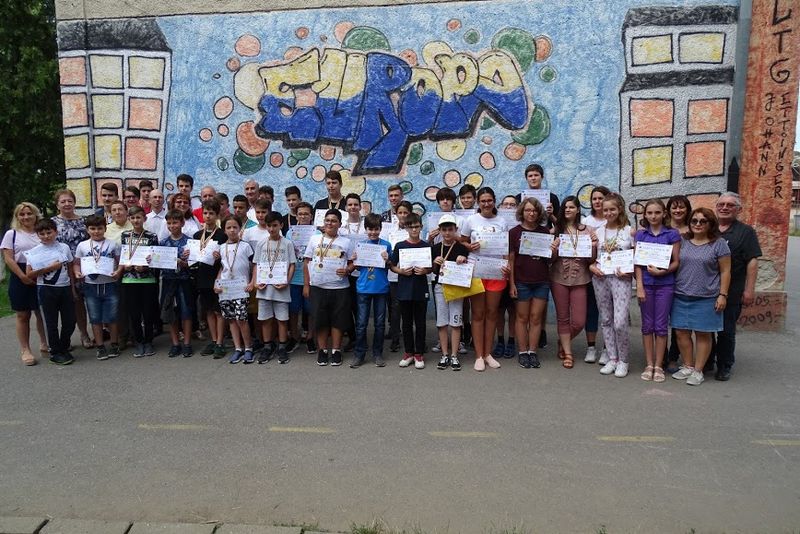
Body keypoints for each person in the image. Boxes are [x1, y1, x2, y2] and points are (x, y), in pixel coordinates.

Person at [671, 208, 731, 386]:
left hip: (706, 297)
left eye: (703, 221)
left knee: (703, 334)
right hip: (680, 294)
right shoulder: (682, 241)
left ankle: (698, 371)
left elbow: (725, 271)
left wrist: (723, 295)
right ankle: (688, 366)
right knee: (681, 333)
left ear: (711, 224)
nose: (698, 224)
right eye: (694, 221)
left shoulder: (719, 244)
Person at [460, 187, 509, 371]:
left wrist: (507, 265)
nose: (486, 204)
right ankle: (479, 355)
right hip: (477, 271)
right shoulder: (471, 220)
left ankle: (488, 353)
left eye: (489, 200)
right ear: (478, 202)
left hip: (496, 271)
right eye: (483, 201)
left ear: (494, 201)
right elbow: (462, 240)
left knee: (492, 313)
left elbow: (505, 247)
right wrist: (468, 246)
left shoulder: (502, 221)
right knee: (478, 314)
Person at [714, 192, 761, 381]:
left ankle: (724, 365)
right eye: (721, 204)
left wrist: (749, 290)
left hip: (733, 290)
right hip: (706, 289)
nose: (724, 208)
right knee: (705, 329)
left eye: (730, 205)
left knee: (726, 330)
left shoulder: (746, 232)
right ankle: (706, 361)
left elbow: (752, 261)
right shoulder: (709, 227)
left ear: (738, 210)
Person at [634, 199, 681, 382]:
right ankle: (649, 364)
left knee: (661, 326)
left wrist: (663, 271)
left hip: (665, 285)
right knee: (647, 325)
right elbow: (637, 263)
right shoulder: (641, 234)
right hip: (646, 285)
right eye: (650, 213)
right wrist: (639, 286)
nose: (653, 216)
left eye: (657, 212)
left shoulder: (672, 234)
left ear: (664, 214)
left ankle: (659, 365)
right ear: (645, 215)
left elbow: (676, 262)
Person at [589, 193, 634, 378]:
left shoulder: (629, 231)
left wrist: (630, 271)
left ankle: (624, 360)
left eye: (612, 209)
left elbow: (637, 257)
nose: (608, 213)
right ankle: (613, 358)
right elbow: (592, 259)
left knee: (620, 322)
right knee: (606, 319)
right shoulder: (598, 232)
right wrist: (592, 267)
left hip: (621, 279)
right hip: (600, 278)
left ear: (620, 209)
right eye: (605, 210)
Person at [549, 196, 596, 370]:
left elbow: (591, 259)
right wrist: (553, 250)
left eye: (572, 207)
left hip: (580, 278)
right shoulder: (555, 230)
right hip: (558, 277)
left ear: (578, 210)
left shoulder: (587, 231)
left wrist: (593, 246)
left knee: (579, 321)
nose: (568, 210)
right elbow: (550, 260)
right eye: (566, 207)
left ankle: (563, 340)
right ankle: (568, 353)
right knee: (563, 317)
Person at [303, 209, 353, 366]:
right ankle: (323, 350)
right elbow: (307, 262)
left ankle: (336, 350)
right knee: (320, 320)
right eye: (327, 220)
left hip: (339, 287)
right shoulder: (314, 239)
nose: (330, 223)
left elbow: (353, 262)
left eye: (333, 221)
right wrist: (306, 285)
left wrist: (348, 270)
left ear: (340, 224)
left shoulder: (346, 242)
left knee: (338, 320)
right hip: (318, 287)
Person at [508, 198, 551, 369]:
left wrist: (553, 250)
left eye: (534, 210)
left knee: (536, 318)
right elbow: (511, 260)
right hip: (521, 281)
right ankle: (522, 351)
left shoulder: (545, 231)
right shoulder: (514, 232)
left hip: (542, 281)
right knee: (522, 317)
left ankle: (532, 351)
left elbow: (550, 259)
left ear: (539, 213)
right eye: (527, 210)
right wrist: (511, 284)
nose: (531, 213)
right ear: (522, 212)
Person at [26, 219, 76, 365]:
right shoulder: (34, 252)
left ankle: (64, 346)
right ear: (37, 235)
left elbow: (70, 268)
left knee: (70, 321)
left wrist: (73, 288)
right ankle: (55, 352)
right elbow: (29, 273)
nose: (46, 236)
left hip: (65, 287)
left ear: (56, 232)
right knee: (51, 322)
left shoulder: (64, 247)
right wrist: (49, 268)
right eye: (42, 234)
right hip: (46, 289)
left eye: (49, 232)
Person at [74, 214, 122, 361]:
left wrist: (118, 272)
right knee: (95, 317)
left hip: (110, 284)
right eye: (93, 229)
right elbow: (76, 263)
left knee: (112, 316)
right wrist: (77, 272)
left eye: (100, 228)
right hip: (91, 286)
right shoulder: (82, 246)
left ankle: (114, 343)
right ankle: (100, 346)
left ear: (105, 228)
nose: (96, 231)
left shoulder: (112, 244)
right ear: (87, 229)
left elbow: (120, 261)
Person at [252, 211, 296, 364]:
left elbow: (292, 265)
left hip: (281, 288)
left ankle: (282, 347)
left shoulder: (287, 243)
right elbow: (256, 264)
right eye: (269, 226)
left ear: (281, 225)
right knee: (265, 319)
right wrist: (256, 282)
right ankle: (267, 346)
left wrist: (287, 282)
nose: (272, 229)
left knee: (282, 319)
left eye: (275, 225)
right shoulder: (261, 243)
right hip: (264, 288)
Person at [52, 189, 93, 349]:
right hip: (61, 268)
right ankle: (67, 337)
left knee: (83, 301)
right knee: (67, 304)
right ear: (57, 205)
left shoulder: (84, 221)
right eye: (63, 201)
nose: (67, 204)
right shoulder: (52, 223)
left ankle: (86, 333)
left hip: (84, 266)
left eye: (70, 201)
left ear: (74, 203)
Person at [390, 212, 432, 369]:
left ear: (421, 227)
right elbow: (392, 265)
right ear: (406, 228)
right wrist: (401, 271)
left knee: (420, 323)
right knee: (406, 323)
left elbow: (431, 267)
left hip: (420, 289)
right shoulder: (400, 246)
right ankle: (408, 353)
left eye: (417, 226)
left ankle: (419, 353)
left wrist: (425, 271)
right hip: (404, 289)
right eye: (411, 227)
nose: (414, 229)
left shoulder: (426, 245)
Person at [350, 213, 392, 368]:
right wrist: (355, 260)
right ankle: (359, 354)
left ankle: (377, 353)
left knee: (380, 324)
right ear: (365, 229)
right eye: (370, 229)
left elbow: (389, 265)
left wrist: (387, 259)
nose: (373, 232)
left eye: (376, 229)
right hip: (363, 288)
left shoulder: (386, 245)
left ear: (380, 229)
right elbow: (358, 268)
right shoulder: (360, 245)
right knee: (361, 323)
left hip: (381, 288)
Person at [431, 214, 470, 371]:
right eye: (444, 230)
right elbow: (432, 271)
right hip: (440, 288)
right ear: (440, 231)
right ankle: (444, 354)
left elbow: (468, 269)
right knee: (442, 322)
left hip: (456, 289)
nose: (447, 233)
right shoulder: (435, 248)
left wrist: (463, 259)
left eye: (450, 229)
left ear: (456, 230)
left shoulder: (462, 248)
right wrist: (435, 263)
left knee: (456, 321)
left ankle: (454, 355)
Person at [119, 206, 160, 358]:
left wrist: (146, 266)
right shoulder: (125, 235)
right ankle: (139, 341)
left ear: (144, 218)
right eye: (133, 218)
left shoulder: (152, 236)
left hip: (148, 279)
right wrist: (127, 266)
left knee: (148, 312)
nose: (136, 220)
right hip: (129, 279)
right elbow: (123, 256)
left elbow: (156, 258)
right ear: (129, 219)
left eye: (138, 217)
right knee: (134, 313)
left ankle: (148, 341)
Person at [215, 215, 255, 364]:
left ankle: (248, 348)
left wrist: (252, 282)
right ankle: (238, 348)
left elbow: (254, 265)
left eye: (235, 227)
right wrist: (217, 283)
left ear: (240, 229)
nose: (232, 230)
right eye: (228, 228)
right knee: (231, 319)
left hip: (241, 288)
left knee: (241, 319)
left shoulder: (246, 246)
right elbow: (222, 268)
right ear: (224, 230)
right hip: (226, 289)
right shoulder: (221, 248)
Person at [158, 209, 194, 358]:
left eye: (175, 222)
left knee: (186, 312)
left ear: (182, 223)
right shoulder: (163, 243)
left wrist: (184, 263)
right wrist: (152, 259)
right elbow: (158, 263)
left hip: (184, 281)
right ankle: (175, 343)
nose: (172, 226)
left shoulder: (190, 242)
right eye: (169, 223)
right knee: (170, 312)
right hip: (168, 281)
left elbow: (194, 264)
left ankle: (187, 343)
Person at [193, 199, 227, 358]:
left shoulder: (222, 235)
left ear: (217, 215)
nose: (208, 216)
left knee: (218, 311)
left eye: (211, 213)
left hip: (217, 277)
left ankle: (220, 342)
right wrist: (188, 255)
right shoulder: (197, 235)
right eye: (205, 213)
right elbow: (194, 258)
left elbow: (227, 259)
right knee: (208, 311)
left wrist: (220, 256)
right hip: (202, 277)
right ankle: (213, 340)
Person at [663, 194, 692, 372]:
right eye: (674, 207)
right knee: (661, 320)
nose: (678, 210)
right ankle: (663, 355)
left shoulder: (694, 229)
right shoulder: (662, 228)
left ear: (688, 210)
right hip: (662, 279)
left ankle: (674, 356)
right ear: (668, 210)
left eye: (681, 207)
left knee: (678, 322)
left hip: (686, 279)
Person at [582, 185, 610, 364]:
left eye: (601, 198)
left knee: (609, 313)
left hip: (612, 274)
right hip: (591, 272)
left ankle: (608, 349)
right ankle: (591, 347)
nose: (598, 201)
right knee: (591, 310)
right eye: (594, 199)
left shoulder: (615, 220)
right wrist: (590, 265)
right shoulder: (586, 222)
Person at [286, 201, 315, 354]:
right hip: (294, 277)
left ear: (311, 216)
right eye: (300, 214)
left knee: (310, 310)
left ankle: (310, 337)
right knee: (293, 309)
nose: (303, 216)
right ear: (296, 216)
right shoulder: (290, 233)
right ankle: (294, 336)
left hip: (311, 278)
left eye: (306, 214)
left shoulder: (317, 234)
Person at [386, 200, 413, 352]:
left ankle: (414, 338)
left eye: (405, 213)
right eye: (400, 212)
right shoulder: (390, 231)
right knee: (395, 308)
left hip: (411, 275)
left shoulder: (415, 230)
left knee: (410, 308)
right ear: (396, 214)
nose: (402, 215)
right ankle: (395, 338)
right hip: (395, 274)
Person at [494, 194, 518, 359]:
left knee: (513, 310)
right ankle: (500, 340)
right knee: (499, 310)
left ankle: (512, 340)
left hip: (517, 272)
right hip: (497, 271)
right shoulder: (496, 224)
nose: (508, 207)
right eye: (505, 204)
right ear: (500, 207)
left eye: (512, 204)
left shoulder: (521, 226)